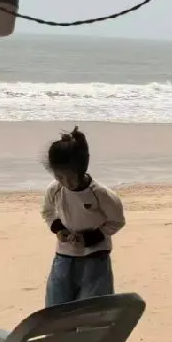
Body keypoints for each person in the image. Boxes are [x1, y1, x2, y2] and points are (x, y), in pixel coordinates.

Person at [40, 127, 125, 308]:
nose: (66, 183)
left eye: (71, 178)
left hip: (96, 256)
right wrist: (58, 229)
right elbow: (47, 212)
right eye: (59, 177)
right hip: (64, 256)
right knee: (56, 307)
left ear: (82, 169)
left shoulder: (101, 194)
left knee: (92, 308)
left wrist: (90, 238)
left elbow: (117, 221)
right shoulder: (54, 189)